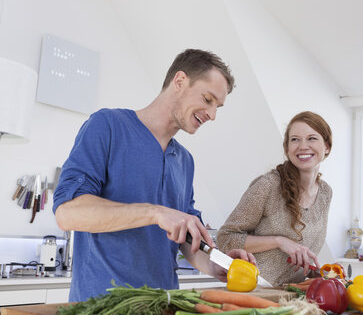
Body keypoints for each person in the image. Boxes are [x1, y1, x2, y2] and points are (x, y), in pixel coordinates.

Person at [53, 49, 254, 302]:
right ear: (179, 81)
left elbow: (186, 240)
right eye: (207, 99)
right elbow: (67, 213)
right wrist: (155, 213)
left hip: (164, 304)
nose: (212, 115)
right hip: (102, 306)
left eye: (218, 107)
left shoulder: (184, 161)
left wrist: (218, 264)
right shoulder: (107, 126)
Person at [216, 111, 333, 287]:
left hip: (292, 297)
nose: (303, 146)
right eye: (295, 139)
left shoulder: (325, 193)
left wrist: (322, 272)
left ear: (327, 147)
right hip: (255, 291)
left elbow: (303, 253)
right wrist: (279, 241)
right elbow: (225, 238)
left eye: (311, 138)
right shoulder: (268, 186)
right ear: (287, 149)